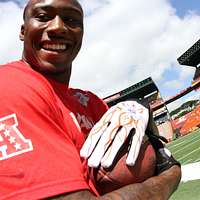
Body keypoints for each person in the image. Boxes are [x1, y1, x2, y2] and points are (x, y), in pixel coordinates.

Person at [0, 0, 181, 199]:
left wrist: (143, 110)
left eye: (71, 19)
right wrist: (168, 178)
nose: (58, 27)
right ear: (23, 31)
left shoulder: (91, 102)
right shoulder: (8, 86)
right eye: (43, 17)